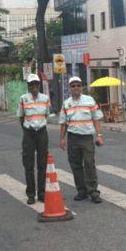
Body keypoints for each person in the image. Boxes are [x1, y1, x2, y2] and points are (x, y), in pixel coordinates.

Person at [59, 76, 104, 204]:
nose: (76, 88)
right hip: (73, 137)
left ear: (82, 86)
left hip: (87, 138)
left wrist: (99, 135)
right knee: (76, 165)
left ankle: (93, 192)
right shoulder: (66, 103)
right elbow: (63, 123)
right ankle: (81, 190)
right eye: (73, 86)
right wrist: (62, 139)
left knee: (89, 163)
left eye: (78, 85)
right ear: (70, 88)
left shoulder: (89, 100)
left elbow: (96, 119)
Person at [17, 73, 51, 204]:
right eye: (31, 85)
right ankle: (31, 194)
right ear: (28, 86)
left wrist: (39, 126)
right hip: (29, 133)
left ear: (38, 85)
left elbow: (46, 115)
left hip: (42, 133)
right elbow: (21, 117)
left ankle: (42, 193)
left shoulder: (45, 98)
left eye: (36, 84)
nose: (34, 87)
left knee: (42, 164)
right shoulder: (23, 99)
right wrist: (27, 129)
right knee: (28, 164)